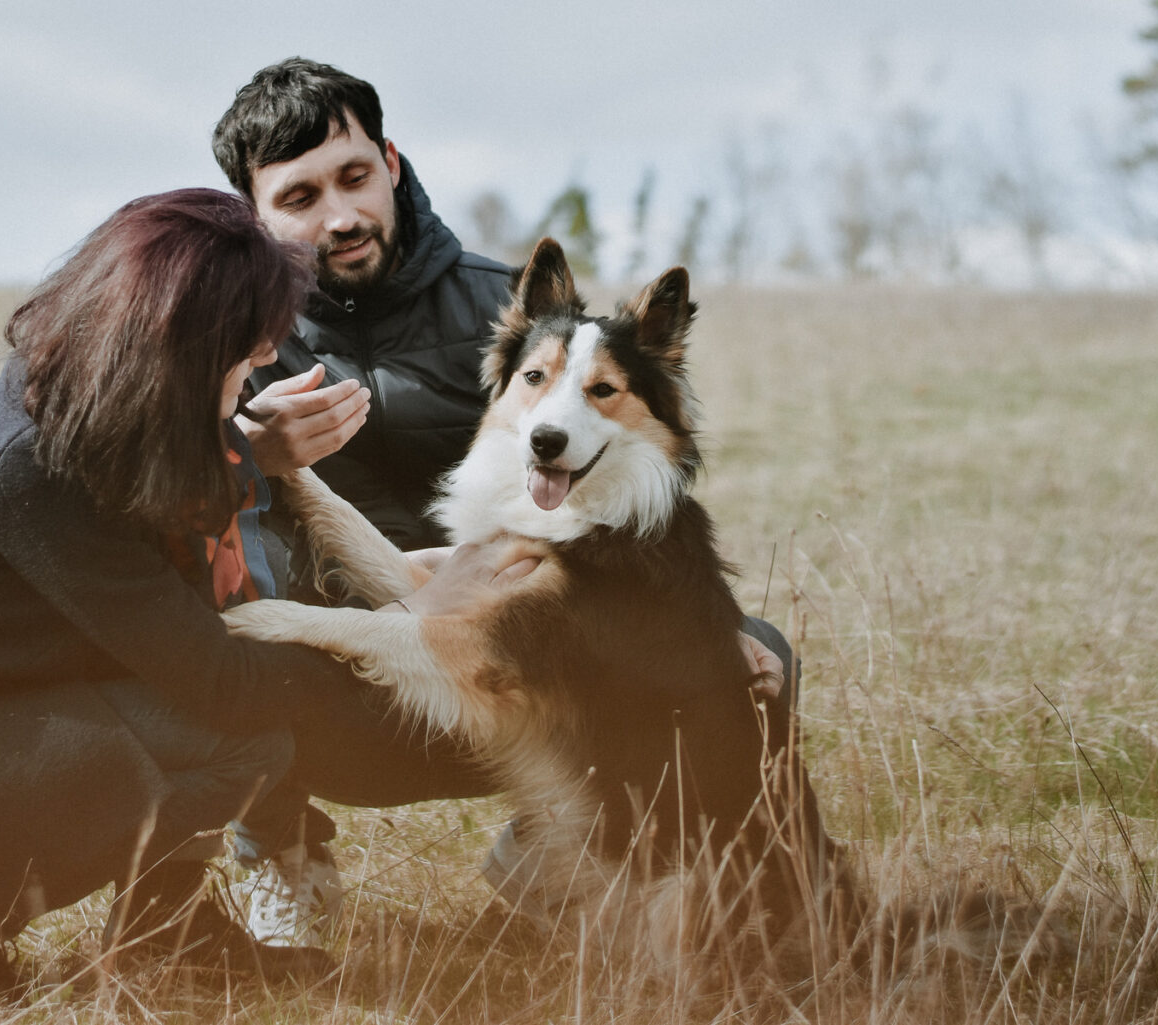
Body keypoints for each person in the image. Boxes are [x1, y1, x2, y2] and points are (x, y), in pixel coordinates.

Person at [0, 188, 538, 1000]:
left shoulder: (77, 404)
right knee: (235, 725)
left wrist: (241, 451)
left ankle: (165, 938)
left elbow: (163, 554)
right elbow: (215, 675)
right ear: (185, 352)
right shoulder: (34, 466)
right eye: (247, 354)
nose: (260, 367)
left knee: (228, 713)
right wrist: (415, 670)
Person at [209, 58, 802, 942]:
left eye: (355, 176)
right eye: (298, 198)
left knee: (754, 653)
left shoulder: (519, 316)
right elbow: (142, 494)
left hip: (521, 657)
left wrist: (704, 628)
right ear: (252, 214)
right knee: (202, 639)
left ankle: (573, 861)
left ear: (393, 163)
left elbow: (633, 495)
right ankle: (280, 858)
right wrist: (245, 455)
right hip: (317, 678)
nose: (339, 216)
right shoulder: (221, 332)